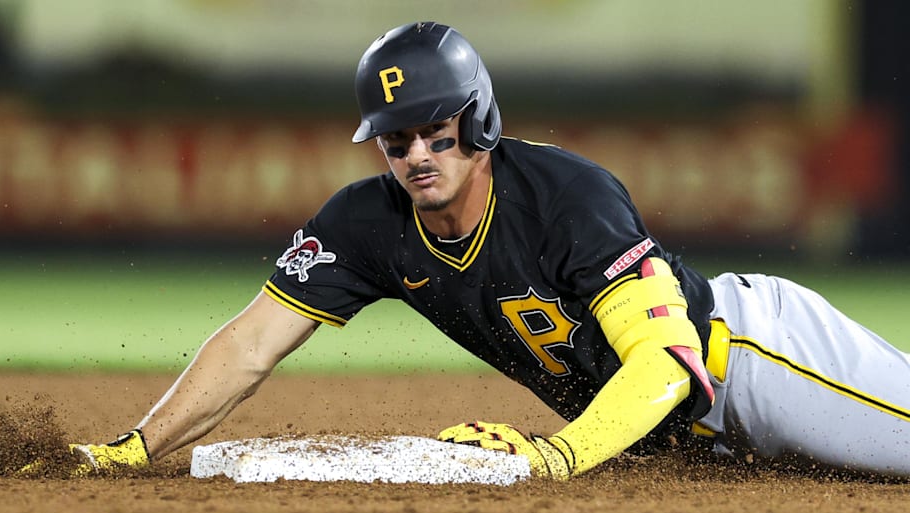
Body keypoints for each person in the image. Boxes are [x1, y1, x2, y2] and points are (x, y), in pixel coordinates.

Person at [60, 21, 910, 480]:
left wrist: (555, 455)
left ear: (481, 120)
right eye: (396, 140)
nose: (417, 155)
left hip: (754, 359)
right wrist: (139, 444)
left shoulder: (567, 196)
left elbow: (663, 360)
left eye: (436, 130)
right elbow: (251, 343)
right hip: (678, 442)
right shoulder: (367, 222)